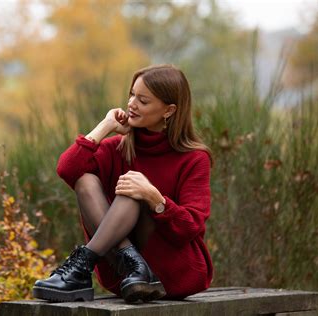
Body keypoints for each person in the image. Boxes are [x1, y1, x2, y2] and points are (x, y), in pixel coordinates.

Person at [32, 64, 213, 303]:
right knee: (86, 180)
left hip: (174, 271)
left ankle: (81, 266)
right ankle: (132, 268)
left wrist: (155, 198)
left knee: (132, 189)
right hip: (126, 279)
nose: (132, 104)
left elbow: (190, 227)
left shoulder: (194, 158)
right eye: (131, 95)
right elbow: (68, 170)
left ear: (168, 110)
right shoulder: (118, 147)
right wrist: (105, 126)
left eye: (143, 100)